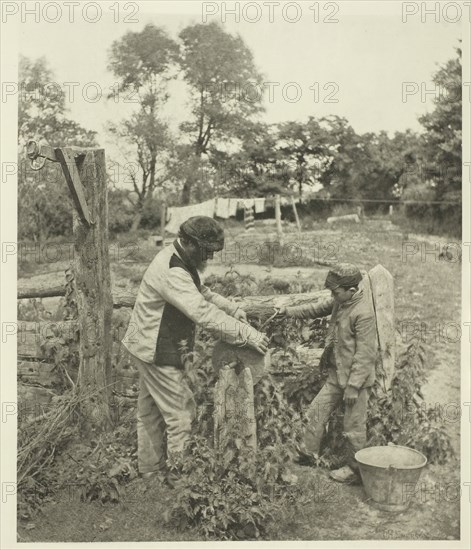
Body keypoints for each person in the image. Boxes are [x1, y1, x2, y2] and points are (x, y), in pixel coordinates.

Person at [121, 216, 268, 481]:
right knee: (181, 412)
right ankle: (181, 479)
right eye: (206, 251)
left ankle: (150, 470)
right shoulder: (172, 270)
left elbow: (203, 293)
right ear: (188, 242)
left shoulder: (179, 258)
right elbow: (202, 312)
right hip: (155, 349)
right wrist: (245, 333)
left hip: (147, 344)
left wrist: (232, 309)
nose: (209, 257)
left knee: (150, 411)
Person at [276, 263, 377, 483]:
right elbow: (316, 308)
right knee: (316, 411)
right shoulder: (341, 302)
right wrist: (288, 311)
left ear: (351, 290)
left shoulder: (364, 313)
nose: (332, 295)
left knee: (353, 427)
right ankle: (307, 453)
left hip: (355, 381)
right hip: (336, 374)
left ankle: (356, 471)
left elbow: (366, 354)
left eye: (335, 291)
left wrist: (353, 386)